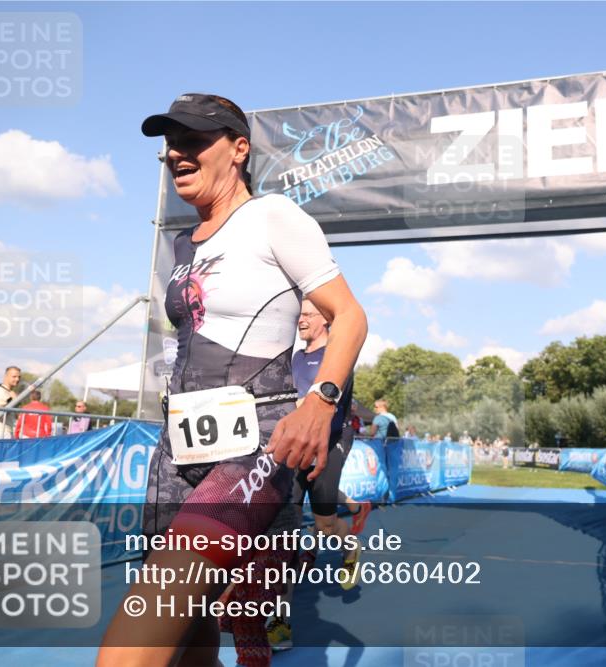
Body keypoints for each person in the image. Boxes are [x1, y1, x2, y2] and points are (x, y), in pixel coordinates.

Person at [98, 93, 367, 667]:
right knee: (191, 632)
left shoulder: (273, 217)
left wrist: (320, 403)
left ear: (239, 149)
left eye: (194, 141)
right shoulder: (183, 244)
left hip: (256, 444)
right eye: (171, 145)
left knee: (141, 629)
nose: (176, 154)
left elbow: (349, 316)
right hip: (177, 448)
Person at [267, 299, 372, 649]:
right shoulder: (295, 357)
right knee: (286, 532)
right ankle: (280, 619)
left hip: (331, 439)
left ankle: (351, 546)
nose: (300, 321)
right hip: (297, 444)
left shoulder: (338, 354)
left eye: (308, 315)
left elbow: (322, 398)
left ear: (325, 321)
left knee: (326, 525)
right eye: (299, 315)